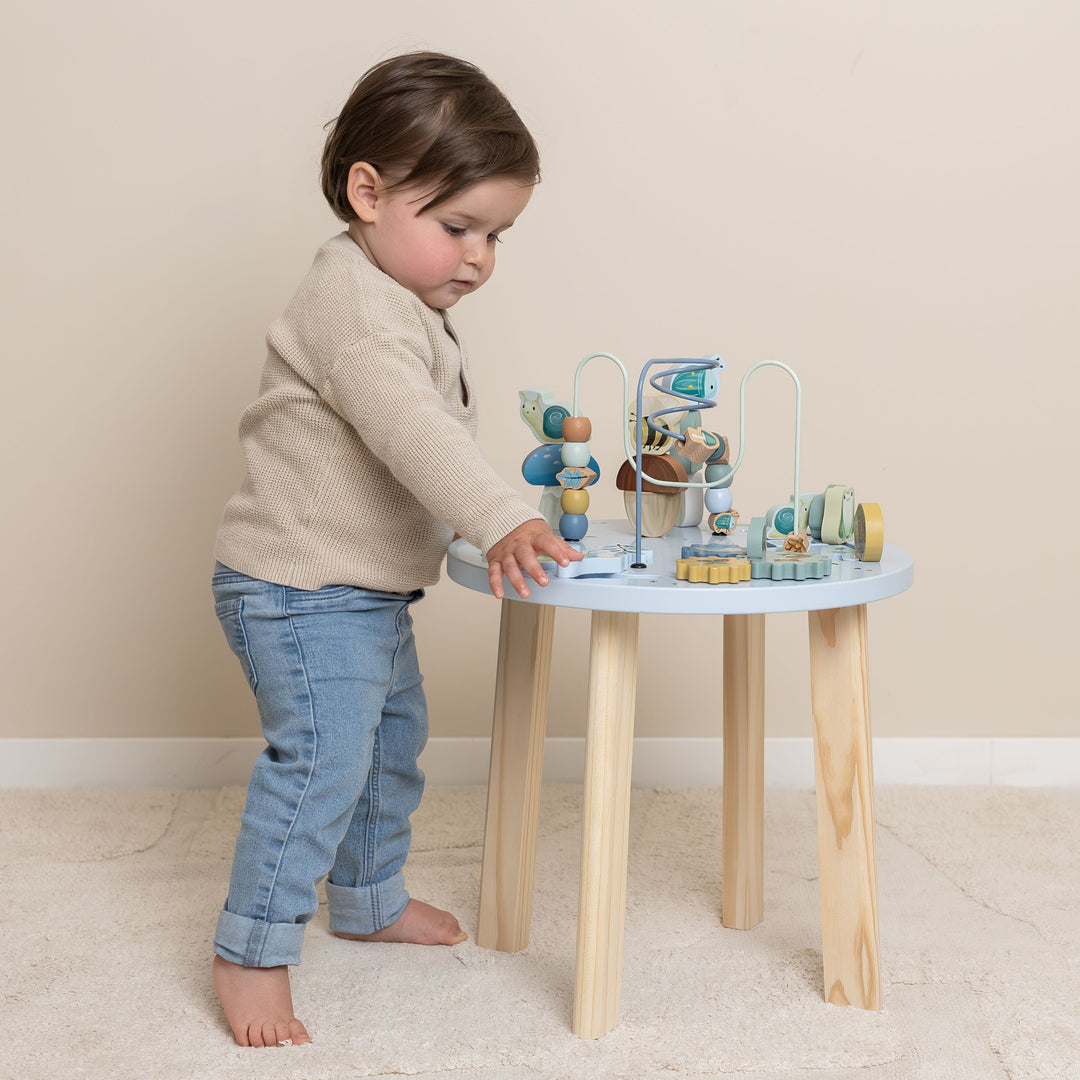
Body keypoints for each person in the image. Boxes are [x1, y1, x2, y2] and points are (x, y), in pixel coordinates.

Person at [209, 51, 581, 1048]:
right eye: (457, 227)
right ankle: (251, 951)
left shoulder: (395, 300)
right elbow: (415, 433)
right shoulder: (355, 309)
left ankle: (367, 896)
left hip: (358, 590)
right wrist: (501, 518)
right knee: (325, 761)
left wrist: (482, 514)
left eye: (497, 235)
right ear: (366, 193)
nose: (478, 257)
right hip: (296, 587)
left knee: (387, 750)